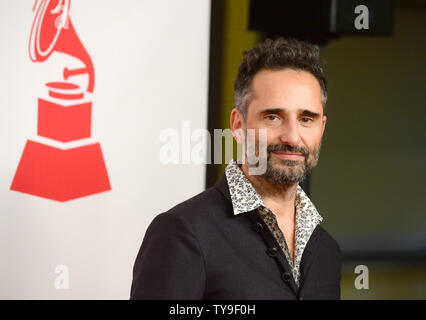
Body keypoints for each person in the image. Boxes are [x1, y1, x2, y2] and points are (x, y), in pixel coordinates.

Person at [130, 38, 341, 300]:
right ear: (238, 125)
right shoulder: (182, 232)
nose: (292, 137)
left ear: (321, 128)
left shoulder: (327, 251)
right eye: (273, 117)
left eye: (306, 119)